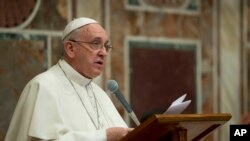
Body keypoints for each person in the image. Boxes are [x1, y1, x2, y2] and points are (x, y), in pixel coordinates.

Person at [5, 17, 133, 141]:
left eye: (106, 46)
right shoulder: (43, 86)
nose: (103, 52)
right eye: (95, 43)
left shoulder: (100, 94)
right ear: (70, 48)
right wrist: (104, 137)